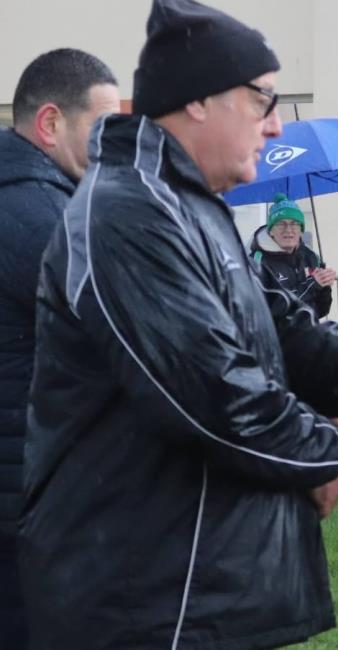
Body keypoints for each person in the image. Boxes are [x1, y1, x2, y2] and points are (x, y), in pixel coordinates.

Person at [17, 2, 338, 649]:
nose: (274, 127)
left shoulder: (191, 207)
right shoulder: (125, 213)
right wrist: (322, 453)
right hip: (142, 599)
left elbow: (285, 335)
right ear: (199, 102)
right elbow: (212, 393)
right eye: (263, 101)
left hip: (197, 588)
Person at [0, 48, 119, 650]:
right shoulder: (43, 214)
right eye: (101, 128)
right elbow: (126, 340)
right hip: (30, 504)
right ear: (50, 124)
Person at [250, 193, 336, 318]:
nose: (288, 229)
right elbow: (274, 310)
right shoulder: (257, 262)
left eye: (294, 224)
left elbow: (321, 311)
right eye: (281, 224)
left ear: (301, 230)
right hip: (278, 336)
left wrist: (324, 287)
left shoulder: (311, 257)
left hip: (309, 333)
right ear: (271, 231)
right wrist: (312, 285)